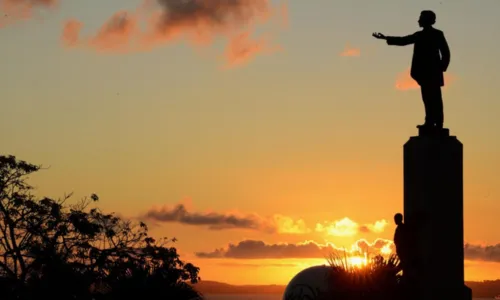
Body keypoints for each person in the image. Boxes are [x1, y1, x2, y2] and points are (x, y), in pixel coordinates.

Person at [372, 10, 451, 129]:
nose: (418, 20)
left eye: (421, 18)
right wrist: (386, 38)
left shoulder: (437, 34)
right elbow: (404, 40)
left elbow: (446, 52)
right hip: (424, 73)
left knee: (435, 99)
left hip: (433, 73)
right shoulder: (419, 35)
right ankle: (429, 121)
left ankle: (438, 123)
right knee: (427, 98)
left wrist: (441, 67)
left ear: (427, 20)